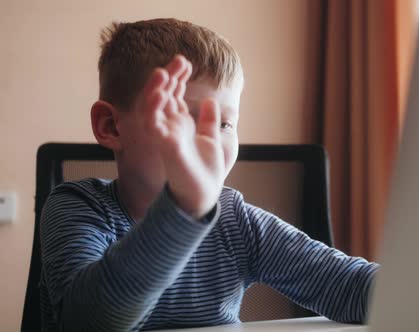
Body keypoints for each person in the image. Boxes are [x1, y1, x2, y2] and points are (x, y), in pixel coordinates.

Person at [40, 18, 379, 331]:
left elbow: (348, 286)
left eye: (224, 123)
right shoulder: (79, 208)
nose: (210, 142)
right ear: (110, 126)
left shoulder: (237, 221)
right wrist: (183, 209)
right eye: (183, 119)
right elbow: (90, 322)